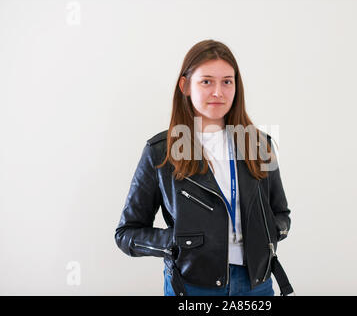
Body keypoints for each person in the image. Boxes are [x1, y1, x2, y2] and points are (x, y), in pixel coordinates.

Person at [114, 39, 293, 296]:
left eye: (227, 81)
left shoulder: (259, 145)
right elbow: (126, 233)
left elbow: (281, 214)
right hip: (193, 285)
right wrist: (177, 243)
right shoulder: (160, 151)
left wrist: (266, 237)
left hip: (257, 284)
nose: (218, 92)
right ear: (185, 86)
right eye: (206, 81)